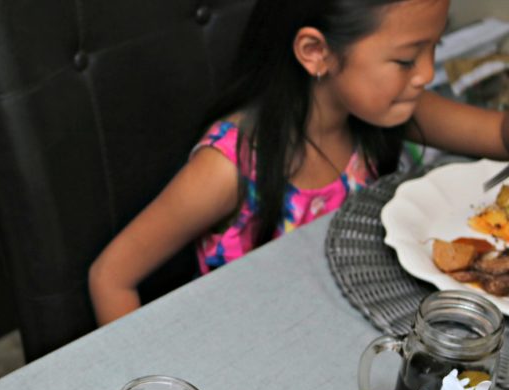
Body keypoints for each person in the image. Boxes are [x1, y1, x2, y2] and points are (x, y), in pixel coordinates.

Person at [88, 0, 509, 325]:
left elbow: (496, 135)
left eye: (434, 46)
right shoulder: (231, 167)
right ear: (315, 52)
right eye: (406, 59)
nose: (426, 73)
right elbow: (110, 276)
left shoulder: (393, 110)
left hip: (359, 321)